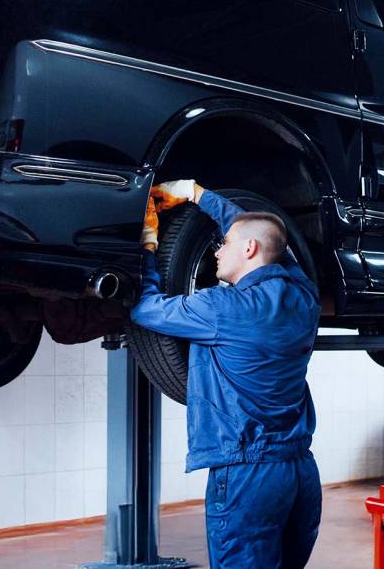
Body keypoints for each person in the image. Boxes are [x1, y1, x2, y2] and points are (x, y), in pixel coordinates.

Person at [130, 179, 322, 569]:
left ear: (248, 251)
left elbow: (145, 309)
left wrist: (149, 244)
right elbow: (263, 235)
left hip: (247, 475)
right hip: (300, 470)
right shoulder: (304, 294)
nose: (217, 251)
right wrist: (198, 195)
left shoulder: (221, 308)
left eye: (225, 244)